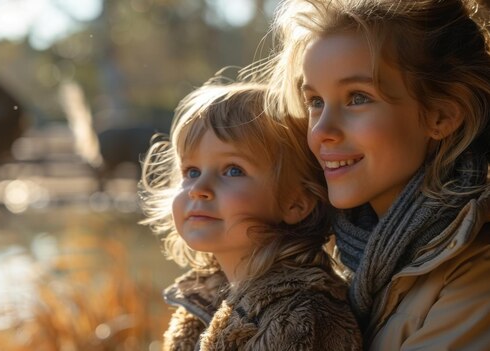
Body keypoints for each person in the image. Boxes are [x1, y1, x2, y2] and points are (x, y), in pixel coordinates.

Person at [262, 0, 490, 349]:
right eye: (315, 101)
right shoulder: (332, 252)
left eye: (357, 98)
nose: (322, 131)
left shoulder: (476, 276)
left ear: (441, 115)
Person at [139, 80, 362, 350]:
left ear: (296, 203)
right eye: (192, 171)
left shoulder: (299, 317)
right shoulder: (203, 301)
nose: (199, 189)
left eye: (233, 170)